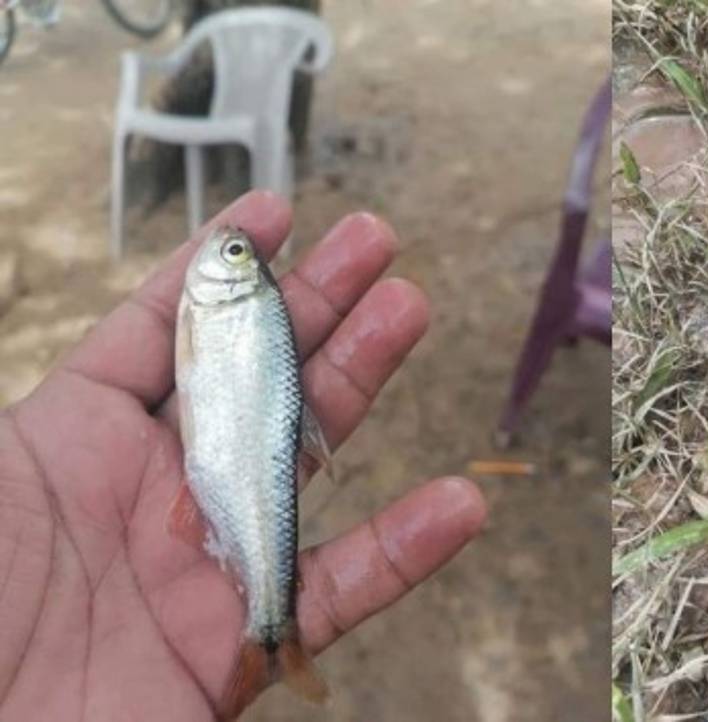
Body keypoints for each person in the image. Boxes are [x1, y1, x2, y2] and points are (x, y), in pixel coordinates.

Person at [0, 191, 487, 720]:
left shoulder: (226, 309)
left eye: (234, 253)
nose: (227, 246)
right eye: (237, 252)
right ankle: (273, 629)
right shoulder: (231, 308)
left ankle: (270, 626)